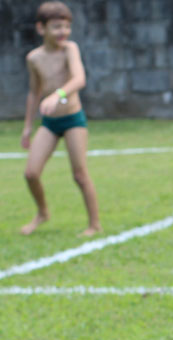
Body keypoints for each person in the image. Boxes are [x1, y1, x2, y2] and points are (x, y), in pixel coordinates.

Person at [20, 1, 100, 237]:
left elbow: (79, 79)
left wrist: (58, 95)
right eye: (56, 27)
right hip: (49, 123)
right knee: (31, 173)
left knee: (79, 174)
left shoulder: (70, 49)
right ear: (40, 28)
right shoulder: (33, 58)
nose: (63, 32)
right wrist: (27, 127)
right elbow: (34, 92)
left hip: (73, 119)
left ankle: (94, 225)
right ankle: (43, 213)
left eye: (66, 26)